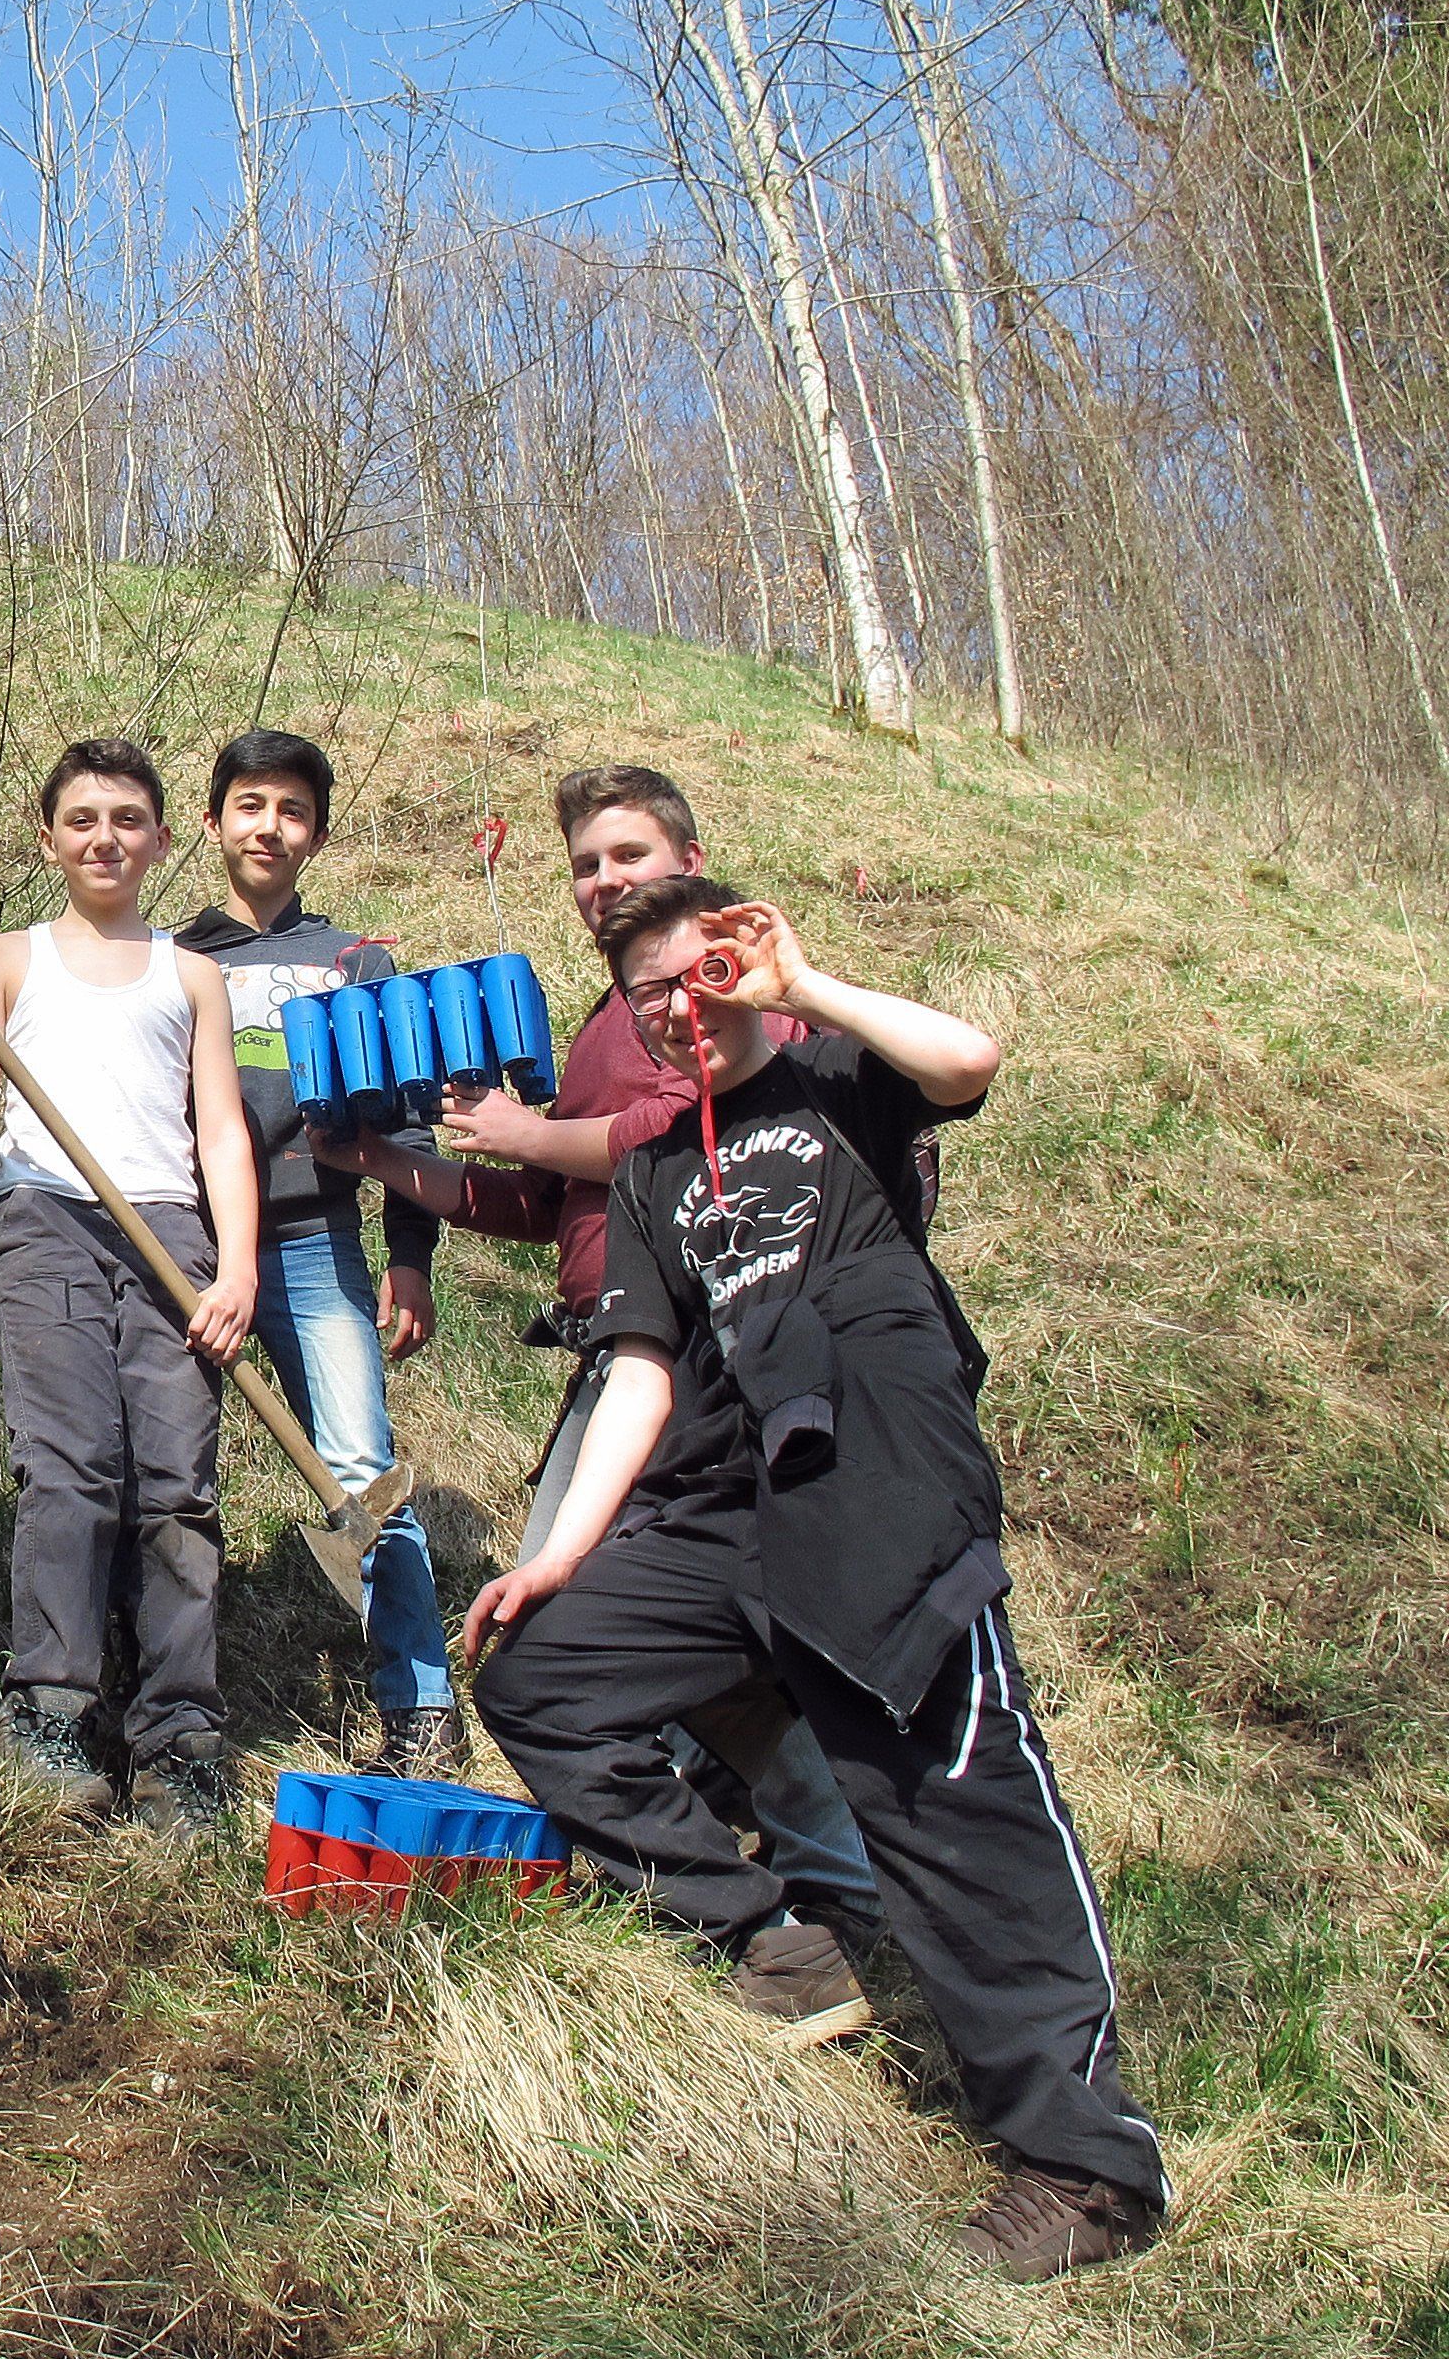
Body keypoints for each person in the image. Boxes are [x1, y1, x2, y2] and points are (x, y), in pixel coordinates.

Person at [465, 874, 1164, 2279]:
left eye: (698, 977)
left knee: (956, 1807)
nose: (678, 1012)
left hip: (876, 1484)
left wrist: (804, 985)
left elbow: (973, 1059)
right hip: (728, 1515)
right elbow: (646, 1375)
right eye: (649, 995)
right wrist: (559, 1556)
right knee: (539, 1671)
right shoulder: (657, 1168)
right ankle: (773, 1940)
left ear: (747, 966)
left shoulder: (845, 1081)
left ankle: (1086, 2168)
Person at [314, 764, 885, 2040]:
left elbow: (699, 1133)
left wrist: (535, 1136)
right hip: (612, 1345)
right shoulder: (598, 1024)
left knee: (575, 1640)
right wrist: (396, 1165)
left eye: (626, 855)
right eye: (582, 864)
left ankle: (797, 1909)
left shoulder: (719, 987)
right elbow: (551, 1209)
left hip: (711, 1360)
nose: (602, 880)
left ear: (688, 854)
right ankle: (805, 1907)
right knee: (684, 1656)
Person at [0, 738, 261, 1840]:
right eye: (81, 819)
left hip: (169, 1236)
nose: (104, 838)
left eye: (125, 818)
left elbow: (218, 1127)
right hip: (42, 1222)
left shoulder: (189, 971)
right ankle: (52, 1713)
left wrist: (237, 1267)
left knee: (174, 1482)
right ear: (47, 838)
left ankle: (179, 1740)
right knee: (66, 1472)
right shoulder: (10, 959)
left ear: (161, 838)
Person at [175, 727, 459, 1772]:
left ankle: (420, 1704)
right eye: (248, 803)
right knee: (169, 1469)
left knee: (357, 1465)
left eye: (290, 809)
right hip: (186, 1242)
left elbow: (408, 1117)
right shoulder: (175, 957)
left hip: (311, 1239)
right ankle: (171, 1704)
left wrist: (411, 1253)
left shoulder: (354, 963)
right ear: (212, 824)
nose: (268, 825)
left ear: (316, 835)